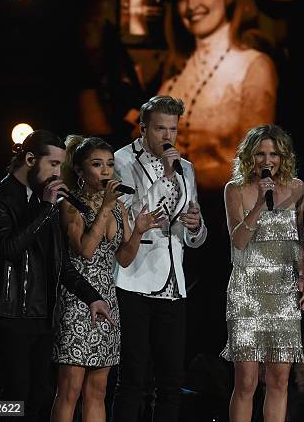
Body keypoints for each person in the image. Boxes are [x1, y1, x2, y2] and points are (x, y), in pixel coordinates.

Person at [0, 130, 113, 422]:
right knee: (15, 395)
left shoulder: (46, 201)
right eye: (53, 164)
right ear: (30, 159)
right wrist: (45, 207)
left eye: (60, 165)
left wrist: (93, 298)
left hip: (44, 315)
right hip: (10, 314)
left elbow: (62, 265)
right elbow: (9, 249)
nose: (58, 172)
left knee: (41, 394)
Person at [51, 136, 164, 422]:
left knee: (98, 390)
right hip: (77, 298)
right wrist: (104, 207)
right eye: (97, 164)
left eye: (110, 165)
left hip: (107, 300)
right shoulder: (70, 204)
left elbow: (124, 259)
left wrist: (138, 231)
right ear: (79, 170)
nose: (105, 171)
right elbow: (86, 251)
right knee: (70, 389)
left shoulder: (118, 208)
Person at [111, 95, 207, 422]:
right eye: (160, 129)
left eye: (173, 129)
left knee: (171, 381)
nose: (168, 137)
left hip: (173, 283)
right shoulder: (121, 161)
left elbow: (195, 233)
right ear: (143, 129)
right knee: (133, 379)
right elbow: (133, 216)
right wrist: (165, 176)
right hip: (134, 279)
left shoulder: (187, 169)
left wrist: (195, 227)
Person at [154, 0, 278, 191]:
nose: (191, 5)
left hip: (226, 219)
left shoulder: (254, 67)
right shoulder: (174, 72)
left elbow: (255, 168)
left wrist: (176, 178)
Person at [220, 124, 304, 422]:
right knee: (246, 381)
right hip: (247, 293)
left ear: (283, 157)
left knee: (279, 380)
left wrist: (302, 275)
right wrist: (260, 203)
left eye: (273, 154)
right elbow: (239, 241)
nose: (267, 160)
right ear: (250, 157)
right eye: (260, 154)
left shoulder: (296, 187)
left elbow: (299, 237)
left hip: (284, 292)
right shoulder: (234, 189)